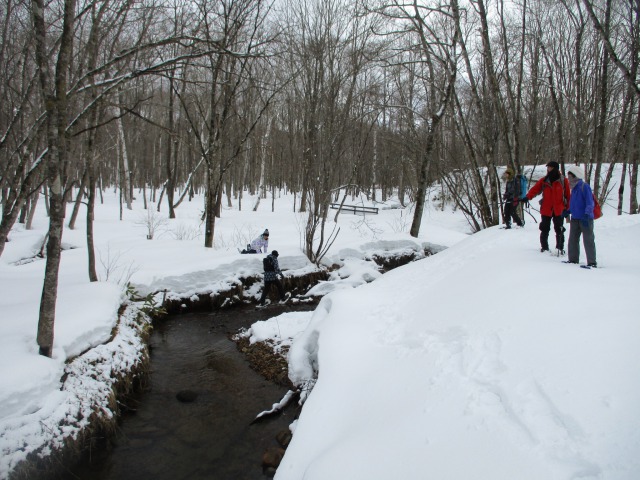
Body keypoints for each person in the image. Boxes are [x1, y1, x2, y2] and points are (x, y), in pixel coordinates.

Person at [520, 161, 570, 254]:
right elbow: (535, 189)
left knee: (559, 229)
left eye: (550, 167)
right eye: (548, 167)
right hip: (546, 209)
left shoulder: (563, 181)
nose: (549, 169)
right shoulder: (544, 180)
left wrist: (568, 208)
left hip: (559, 209)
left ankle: (560, 248)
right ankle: (544, 247)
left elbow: (568, 195)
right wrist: (527, 197)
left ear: (555, 168)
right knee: (544, 229)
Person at [565, 165, 597, 267]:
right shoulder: (574, 189)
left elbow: (590, 202)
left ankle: (592, 262)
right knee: (573, 240)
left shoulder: (584, 186)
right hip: (575, 218)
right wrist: (568, 211)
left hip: (585, 219)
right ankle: (573, 259)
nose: (568, 179)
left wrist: (587, 214)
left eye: (570, 176)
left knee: (588, 240)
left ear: (575, 176)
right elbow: (574, 203)